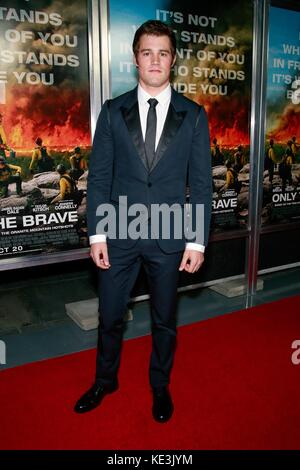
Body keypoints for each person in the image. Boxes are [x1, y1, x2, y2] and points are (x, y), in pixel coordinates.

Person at [74, 20, 212, 422]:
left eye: (163, 53)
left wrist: (197, 241)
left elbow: (201, 183)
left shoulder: (193, 115)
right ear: (136, 59)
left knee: (164, 318)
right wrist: (97, 233)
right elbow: (99, 176)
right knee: (110, 314)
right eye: (147, 52)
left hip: (170, 236)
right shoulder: (114, 111)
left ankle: (160, 385)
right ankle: (105, 380)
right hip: (119, 233)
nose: (155, 60)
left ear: (173, 60)